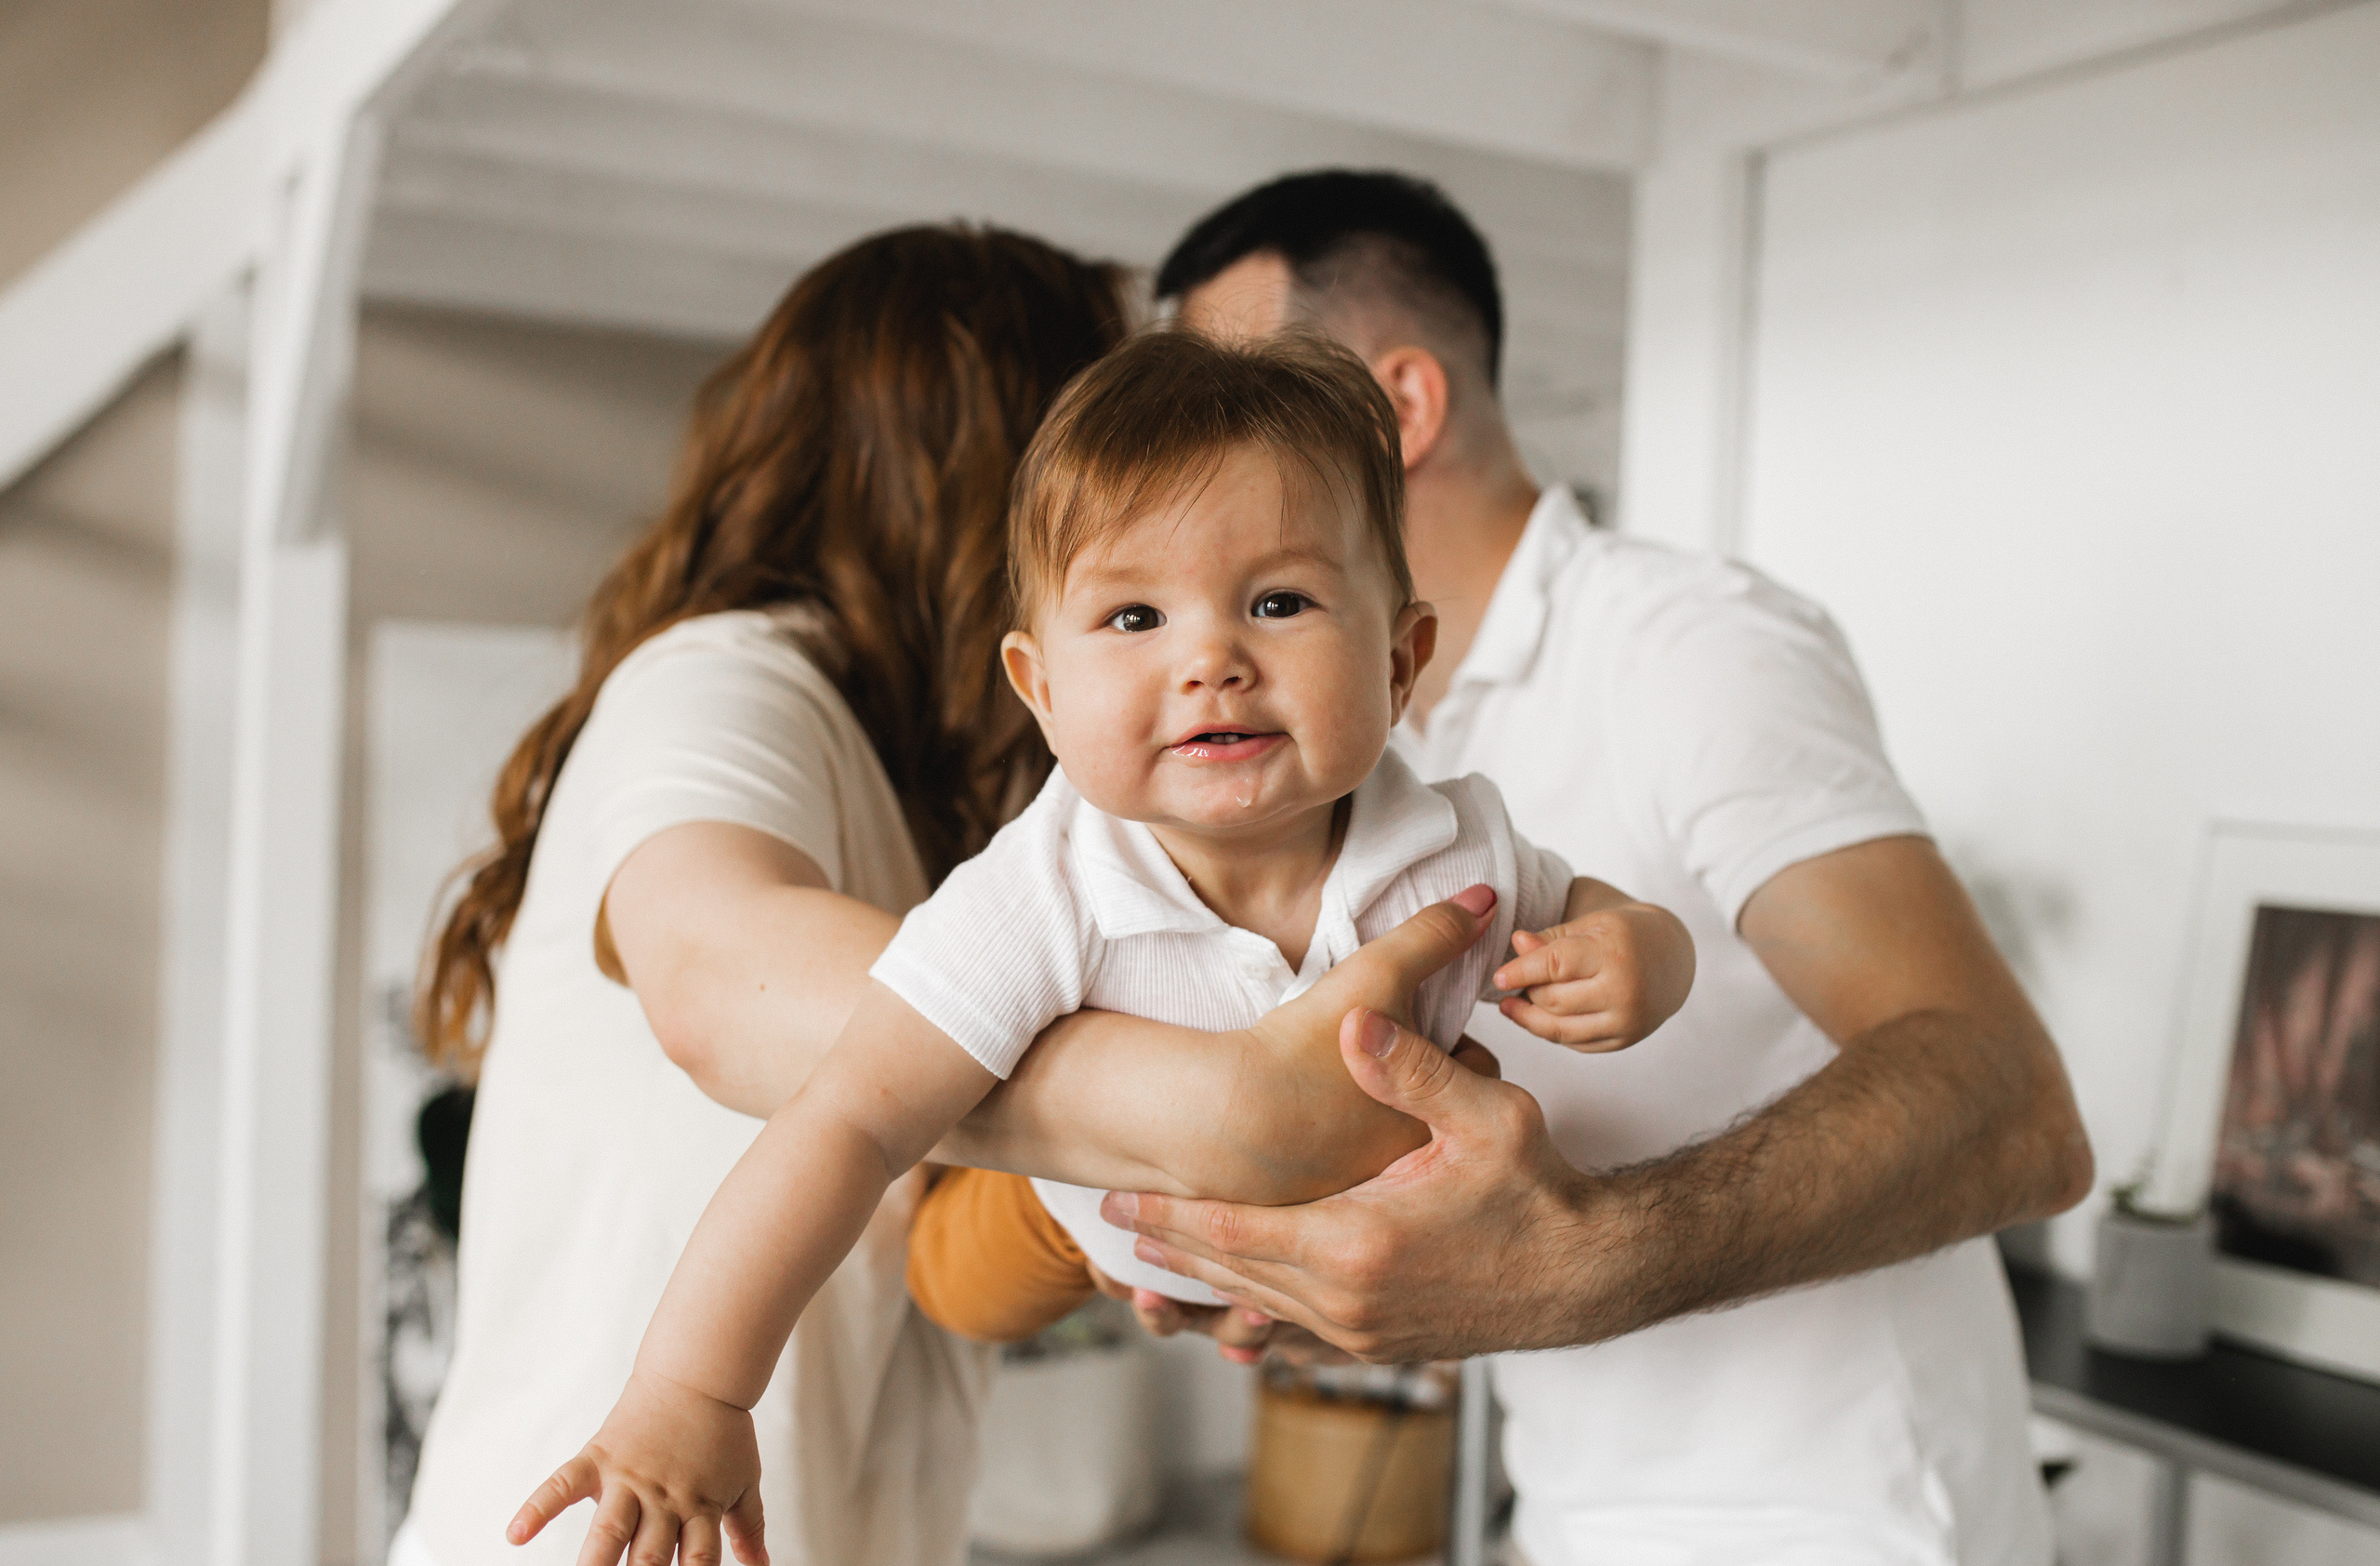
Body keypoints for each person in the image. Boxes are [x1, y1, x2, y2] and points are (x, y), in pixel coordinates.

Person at [398, 221, 1506, 1566]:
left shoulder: (1012, 828)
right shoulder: (723, 679)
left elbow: (939, 1261)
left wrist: (1132, 1222)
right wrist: (1224, 1113)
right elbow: (714, 985)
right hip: (619, 1524)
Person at [1090, 171, 2097, 1564]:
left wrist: (1572, 1263)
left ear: (1400, 411)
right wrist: (1319, 1269)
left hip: (1840, 1517)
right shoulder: (1348, 743)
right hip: (1582, 1505)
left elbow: (2013, 1105)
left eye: (1234, 398)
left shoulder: (1689, 643)